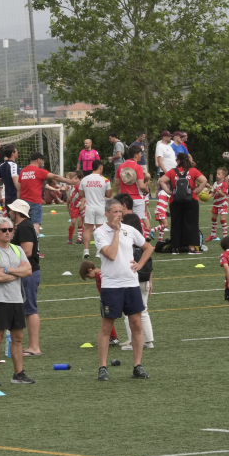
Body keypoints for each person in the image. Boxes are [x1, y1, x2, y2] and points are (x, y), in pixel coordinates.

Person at [93, 199, 153, 381]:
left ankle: (137, 366)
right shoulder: (100, 232)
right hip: (112, 286)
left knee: (136, 324)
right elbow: (111, 255)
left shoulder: (130, 230)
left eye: (121, 211)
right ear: (107, 213)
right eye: (115, 212)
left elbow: (148, 247)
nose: (119, 215)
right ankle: (102, 367)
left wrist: (140, 264)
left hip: (131, 284)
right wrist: (117, 232)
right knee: (107, 326)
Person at [0, 216, 35, 387]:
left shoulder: (18, 249)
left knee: (18, 337)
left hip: (16, 298)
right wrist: (17, 272)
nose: (8, 233)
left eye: (10, 229)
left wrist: (6, 270)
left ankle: (18, 373)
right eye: (4, 230)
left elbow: (28, 271)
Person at [8, 199, 42, 357]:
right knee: (28, 309)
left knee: (30, 309)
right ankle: (31, 345)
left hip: (29, 272)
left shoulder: (24, 227)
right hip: (29, 272)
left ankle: (34, 347)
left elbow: (27, 251)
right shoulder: (25, 226)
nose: (9, 212)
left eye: (11, 210)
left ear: (17, 212)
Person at [18, 151, 78, 237]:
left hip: (23, 202)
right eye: (42, 160)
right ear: (38, 160)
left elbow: (19, 189)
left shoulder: (22, 171)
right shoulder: (39, 171)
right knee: (36, 224)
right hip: (35, 202)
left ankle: (25, 243)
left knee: (24, 225)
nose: (42, 162)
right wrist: (70, 181)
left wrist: (19, 202)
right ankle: (35, 244)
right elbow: (55, 177)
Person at [158, 152, 207, 255]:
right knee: (192, 224)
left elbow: (161, 181)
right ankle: (191, 248)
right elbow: (204, 180)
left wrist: (169, 192)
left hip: (175, 200)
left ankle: (175, 248)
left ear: (179, 161)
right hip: (191, 200)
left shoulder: (172, 171)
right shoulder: (193, 171)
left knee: (176, 224)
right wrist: (197, 191)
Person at [120, 214, 156, 350]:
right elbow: (150, 263)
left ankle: (132, 342)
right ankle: (149, 341)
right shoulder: (144, 243)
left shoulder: (126, 244)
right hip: (145, 279)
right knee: (144, 310)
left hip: (132, 281)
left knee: (129, 312)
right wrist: (150, 281)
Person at [79, 159, 112, 259]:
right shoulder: (105, 180)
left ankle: (86, 251)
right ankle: (98, 251)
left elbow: (81, 194)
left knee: (88, 229)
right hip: (101, 207)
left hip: (89, 207)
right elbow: (109, 195)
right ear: (100, 167)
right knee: (100, 230)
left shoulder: (84, 179)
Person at [116, 145, 150, 233]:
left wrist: (118, 196)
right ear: (136, 155)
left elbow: (117, 183)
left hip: (125, 199)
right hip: (137, 198)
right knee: (138, 222)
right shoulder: (138, 167)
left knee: (125, 222)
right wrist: (147, 191)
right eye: (140, 154)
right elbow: (141, 186)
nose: (141, 156)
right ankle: (140, 240)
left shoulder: (121, 166)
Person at [206, 167, 229, 242]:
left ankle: (225, 236)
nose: (217, 175)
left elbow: (223, 194)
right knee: (213, 219)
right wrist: (206, 198)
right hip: (215, 204)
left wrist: (219, 191)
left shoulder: (224, 184)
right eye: (217, 173)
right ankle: (213, 235)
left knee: (222, 220)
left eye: (219, 174)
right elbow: (212, 193)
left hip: (223, 204)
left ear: (223, 175)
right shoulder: (215, 183)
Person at [66, 172, 84, 244]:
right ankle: (70, 238)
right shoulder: (70, 187)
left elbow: (83, 196)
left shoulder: (79, 186)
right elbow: (69, 199)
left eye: (67, 178)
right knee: (73, 222)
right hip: (73, 206)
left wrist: (82, 204)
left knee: (80, 222)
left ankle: (80, 238)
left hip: (79, 206)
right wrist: (67, 206)